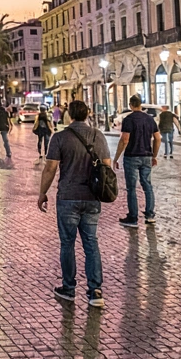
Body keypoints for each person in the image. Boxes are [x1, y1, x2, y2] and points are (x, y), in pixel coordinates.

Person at [39, 100, 112, 308]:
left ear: (69, 115)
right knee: (91, 242)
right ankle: (95, 290)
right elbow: (106, 166)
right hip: (91, 197)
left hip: (68, 197)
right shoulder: (98, 136)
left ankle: (69, 288)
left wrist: (42, 193)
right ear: (88, 114)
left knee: (67, 244)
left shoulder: (60, 137)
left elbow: (50, 168)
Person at [114, 95, 160, 228]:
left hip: (132, 156)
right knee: (147, 185)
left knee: (132, 188)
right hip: (146, 156)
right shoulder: (150, 119)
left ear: (130, 105)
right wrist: (154, 155)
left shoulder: (128, 119)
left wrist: (116, 158)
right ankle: (150, 215)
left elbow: (125, 140)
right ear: (141, 104)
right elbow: (157, 138)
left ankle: (133, 217)